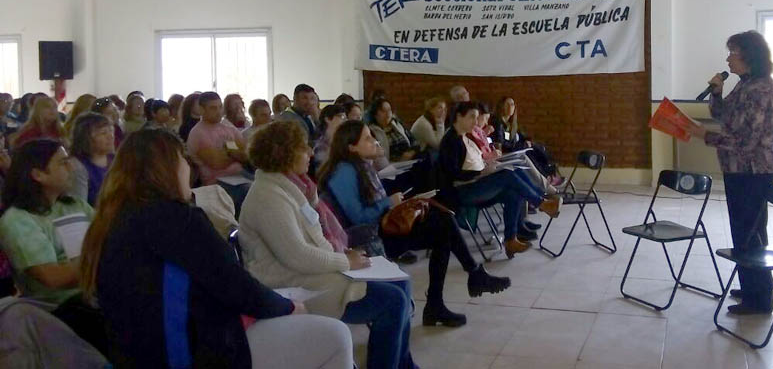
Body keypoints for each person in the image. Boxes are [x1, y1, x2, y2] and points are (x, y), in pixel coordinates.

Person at [78, 129, 353, 369]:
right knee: (335, 336)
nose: (189, 169)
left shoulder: (110, 219)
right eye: (183, 160)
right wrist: (288, 307)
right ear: (167, 168)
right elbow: (233, 284)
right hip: (190, 354)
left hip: (137, 354)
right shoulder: (175, 220)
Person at [241, 122, 418, 369]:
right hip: (291, 285)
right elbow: (298, 256)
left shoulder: (292, 186)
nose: (311, 153)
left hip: (308, 272)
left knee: (401, 281)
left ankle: (402, 363)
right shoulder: (268, 197)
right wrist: (345, 261)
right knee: (392, 302)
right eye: (304, 149)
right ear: (285, 154)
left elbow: (314, 236)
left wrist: (341, 254)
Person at [320, 120, 510, 327]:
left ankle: (448, 296)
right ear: (351, 147)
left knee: (443, 224)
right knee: (443, 227)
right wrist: (389, 202)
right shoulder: (344, 172)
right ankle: (463, 283)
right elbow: (358, 216)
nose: (374, 141)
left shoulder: (360, 166)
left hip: (382, 227)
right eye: (367, 138)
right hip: (368, 238)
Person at [687, 30, 773, 316]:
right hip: (739, 169)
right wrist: (716, 94)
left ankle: (760, 299)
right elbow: (725, 115)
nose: (728, 59)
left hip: (754, 170)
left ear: (749, 57)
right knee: (745, 231)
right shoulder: (746, 84)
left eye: (733, 53)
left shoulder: (762, 90)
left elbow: (746, 142)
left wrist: (704, 135)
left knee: (749, 234)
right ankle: (751, 284)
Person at [0, 140, 108, 354]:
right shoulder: (18, 220)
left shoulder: (72, 205)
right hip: (60, 309)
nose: (72, 167)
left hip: (96, 293)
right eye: (63, 163)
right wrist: (102, 259)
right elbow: (53, 278)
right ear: (38, 175)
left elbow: (108, 236)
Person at [439, 102, 560, 257]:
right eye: (472, 118)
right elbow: (453, 175)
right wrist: (481, 172)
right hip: (461, 192)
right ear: (458, 117)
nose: (476, 123)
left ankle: (511, 240)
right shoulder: (451, 141)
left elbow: (472, 163)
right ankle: (542, 203)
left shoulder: (463, 137)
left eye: (477, 118)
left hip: (475, 184)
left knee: (513, 191)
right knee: (508, 176)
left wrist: (487, 165)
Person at [491, 96, 562, 187]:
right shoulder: (498, 123)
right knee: (528, 154)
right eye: (507, 105)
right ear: (501, 107)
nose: (510, 107)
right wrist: (521, 145)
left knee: (536, 147)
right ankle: (547, 176)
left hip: (514, 148)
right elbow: (502, 143)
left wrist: (527, 141)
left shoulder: (511, 124)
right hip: (507, 151)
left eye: (512, 105)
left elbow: (522, 136)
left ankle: (549, 172)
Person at [186, 92, 248, 186]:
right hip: (217, 182)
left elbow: (246, 154)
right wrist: (234, 153)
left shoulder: (228, 127)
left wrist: (228, 153)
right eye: (213, 108)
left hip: (241, 175)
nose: (219, 112)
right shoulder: (198, 133)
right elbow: (217, 163)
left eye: (220, 107)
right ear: (202, 110)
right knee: (252, 190)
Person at [67, 113, 115, 205]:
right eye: (103, 133)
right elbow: (80, 205)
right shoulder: (78, 166)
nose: (111, 136)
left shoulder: (115, 160)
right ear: (86, 138)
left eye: (111, 131)